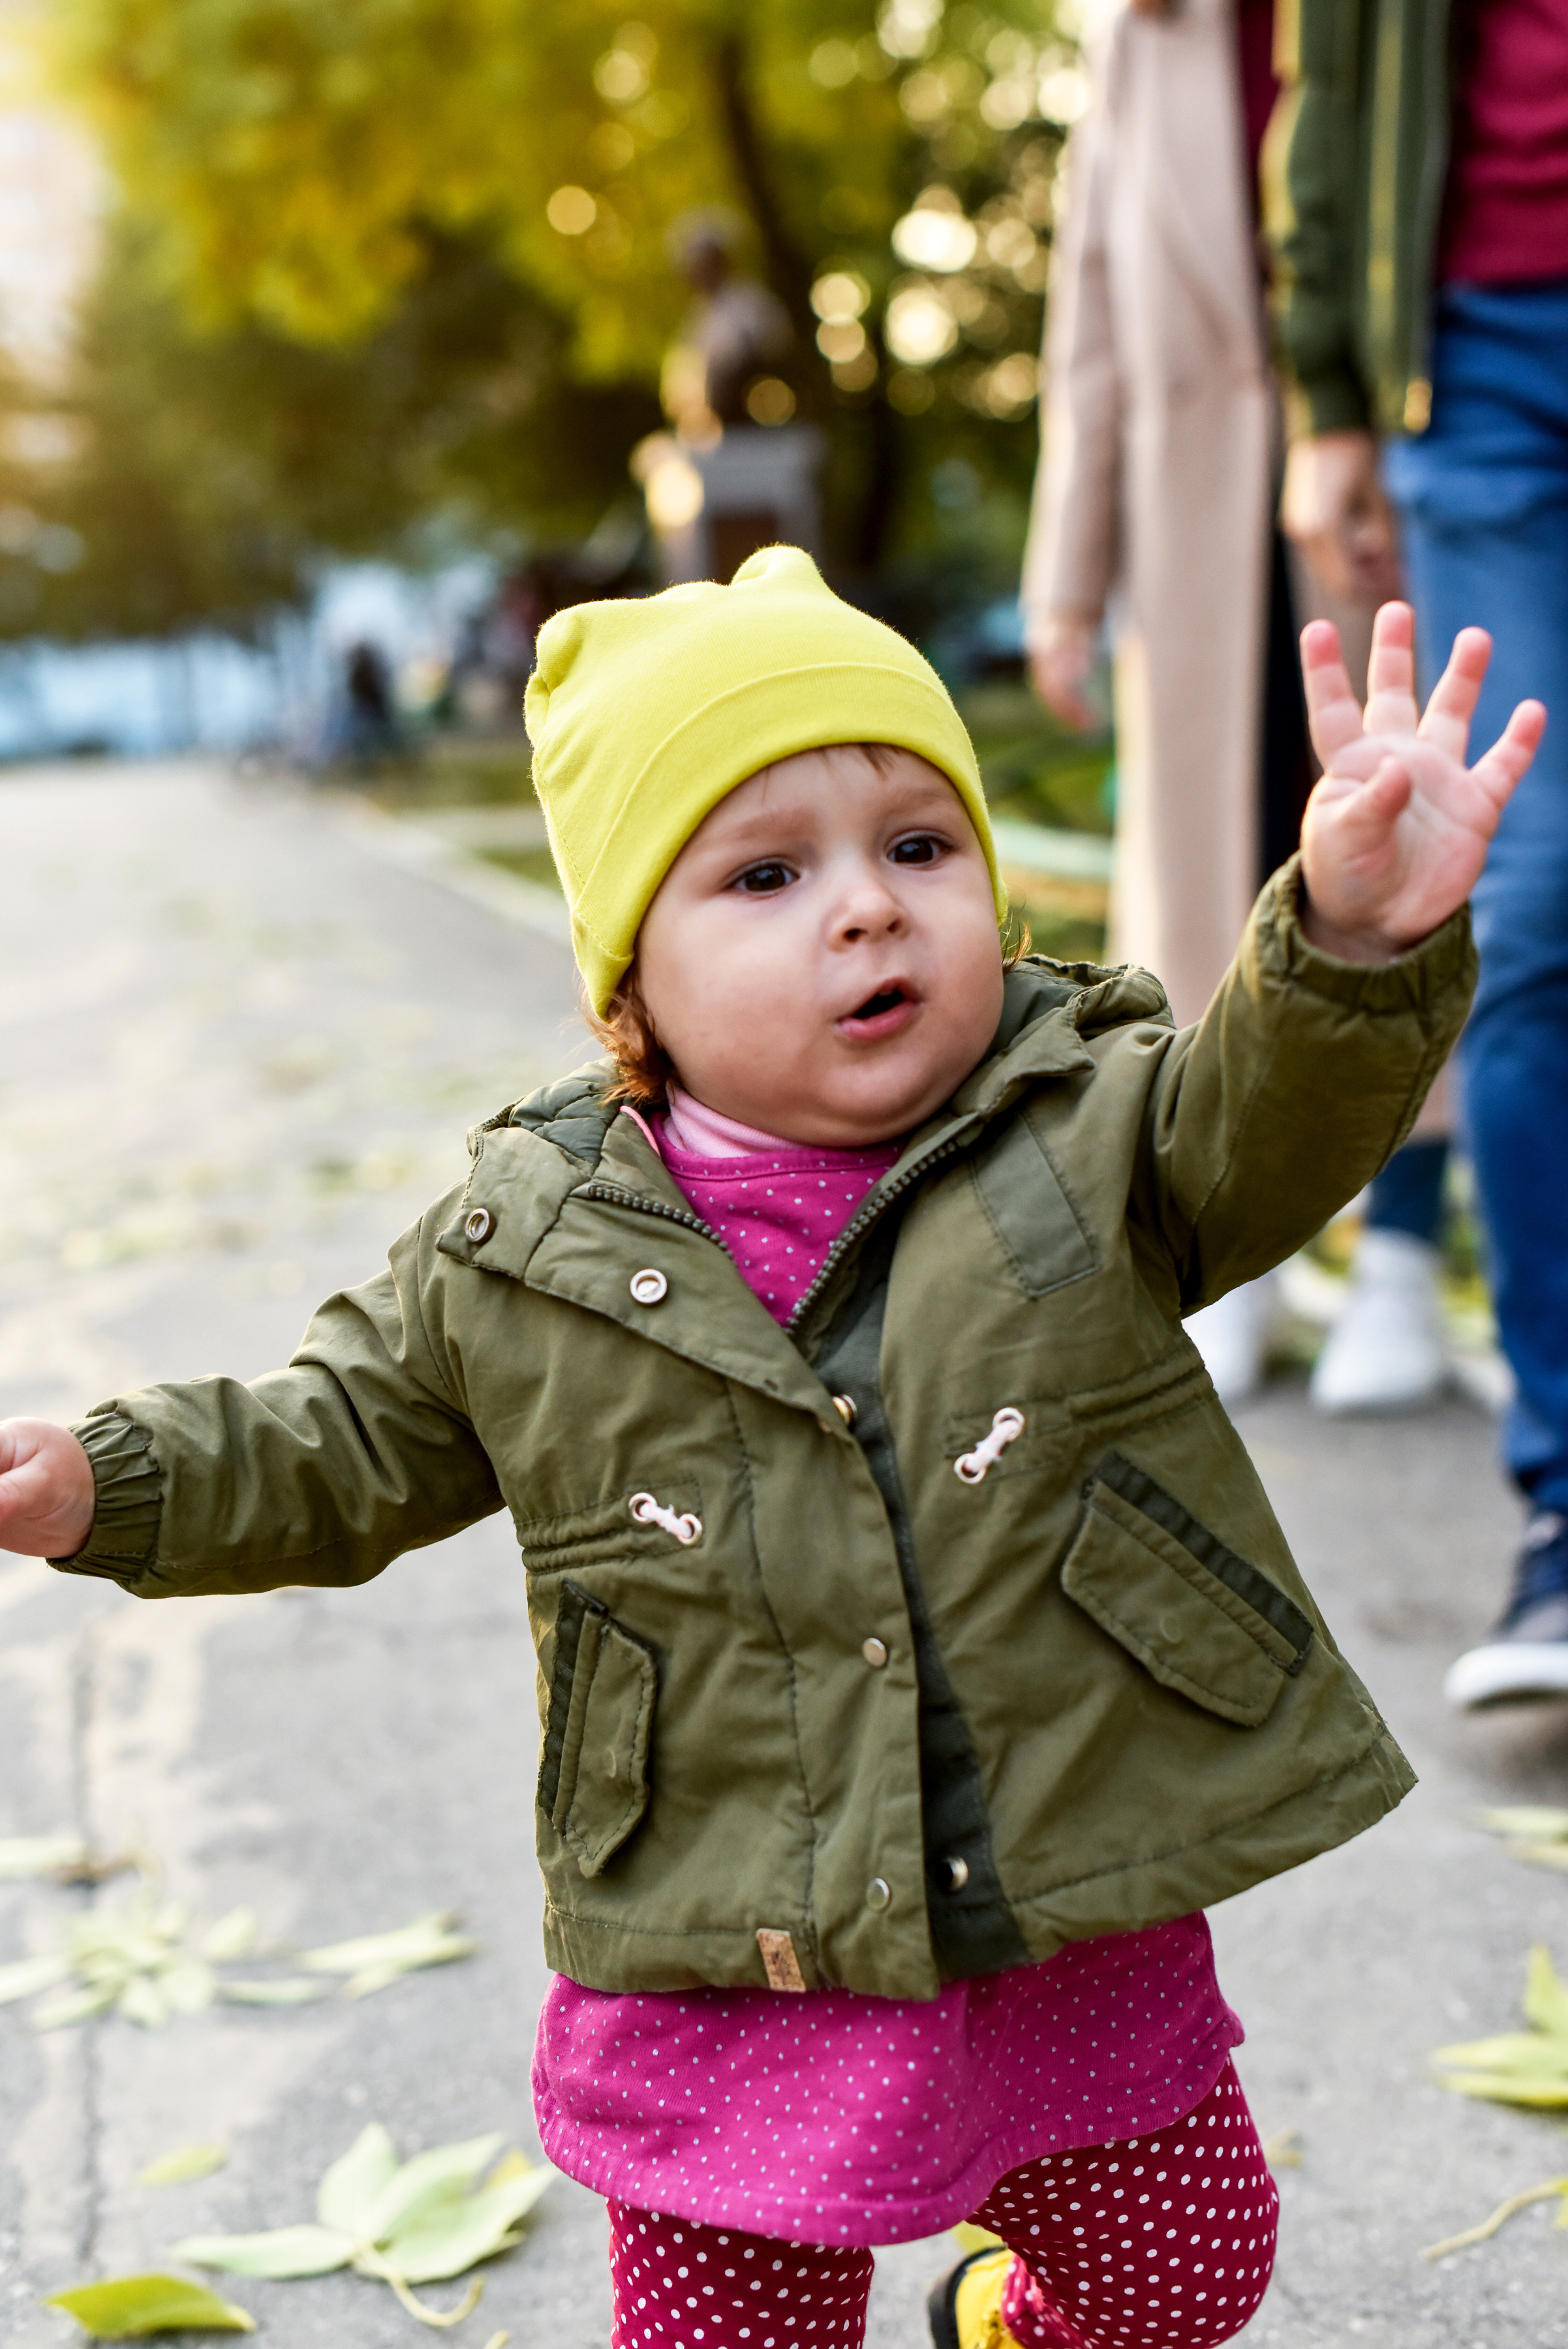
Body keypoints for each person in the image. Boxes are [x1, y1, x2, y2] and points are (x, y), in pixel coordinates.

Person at [0, 549, 1540, 2349]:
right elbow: (338, 1434)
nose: (868, 912)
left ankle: (1005, 2314)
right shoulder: (530, 1246)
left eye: (915, 846)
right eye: (764, 874)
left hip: (1044, 1894)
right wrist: (109, 1480)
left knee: (1175, 2274)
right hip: (733, 1920)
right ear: (628, 989)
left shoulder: (1089, 1125)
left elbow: (1264, 1119)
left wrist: (1351, 941)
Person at [1022, 0, 1453, 1409]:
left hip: (1391, 481)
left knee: (1401, 835)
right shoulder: (1137, 38)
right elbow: (1086, 324)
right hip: (1197, 523)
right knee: (1224, 882)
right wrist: (1065, 582)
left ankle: (1397, 1256)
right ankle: (1243, 1249)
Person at [1270, 0, 1568, 1699]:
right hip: (1479, 344)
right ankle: (1562, 1521)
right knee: (1530, 907)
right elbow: (1335, 80)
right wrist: (1328, 385)